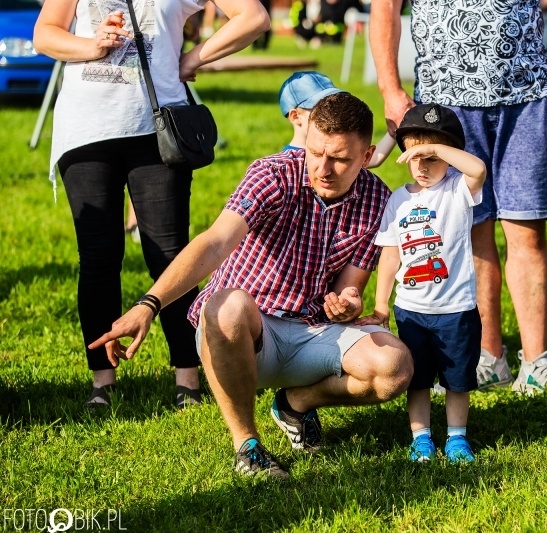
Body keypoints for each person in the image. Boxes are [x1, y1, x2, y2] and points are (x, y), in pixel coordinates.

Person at [89, 93, 414, 478]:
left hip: (312, 330)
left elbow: (349, 287)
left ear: (366, 155)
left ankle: (296, 403)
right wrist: (149, 304)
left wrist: (347, 303)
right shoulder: (272, 174)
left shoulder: (378, 198)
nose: (323, 168)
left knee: (394, 367)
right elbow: (214, 242)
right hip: (242, 332)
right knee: (228, 305)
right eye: (315, 153)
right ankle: (248, 445)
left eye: (340, 159)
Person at [370, 0, 547, 395]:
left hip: (528, 97)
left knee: (528, 231)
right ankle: (488, 358)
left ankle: (536, 363)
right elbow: (385, 7)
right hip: (445, 107)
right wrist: (390, 90)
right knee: (469, 235)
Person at [33, 0, 270, 408]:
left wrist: (194, 57)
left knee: (169, 254)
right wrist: (93, 45)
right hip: (86, 131)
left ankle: (187, 380)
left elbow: (254, 16)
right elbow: (45, 34)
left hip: (158, 130)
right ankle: (102, 382)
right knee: (98, 255)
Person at [357, 104, 486, 463]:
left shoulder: (459, 189)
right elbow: (390, 255)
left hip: (456, 309)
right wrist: (381, 305)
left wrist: (434, 148)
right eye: (415, 157)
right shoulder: (398, 200)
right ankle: (422, 437)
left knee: (457, 380)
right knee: (418, 380)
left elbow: (478, 168)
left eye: (431, 157)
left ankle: (457, 438)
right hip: (412, 311)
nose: (423, 166)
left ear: (448, 155)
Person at [278, 71, 396, 166]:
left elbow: (369, 159)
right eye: (318, 108)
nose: (329, 111)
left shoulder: (337, 146)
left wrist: (394, 131)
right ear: (296, 116)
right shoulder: (289, 163)